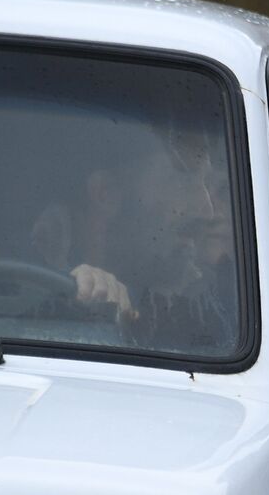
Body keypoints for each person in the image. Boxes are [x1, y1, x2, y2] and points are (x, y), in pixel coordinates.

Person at [29, 128, 236, 354]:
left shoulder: (225, 319)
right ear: (105, 193)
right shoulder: (30, 313)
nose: (206, 211)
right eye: (182, 180)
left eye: (204, 184)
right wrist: (79, 300)